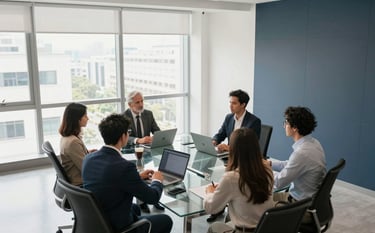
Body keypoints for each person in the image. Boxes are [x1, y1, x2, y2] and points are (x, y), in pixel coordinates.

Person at [82, 114, 173, 233]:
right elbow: (152, 198)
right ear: (123, 136)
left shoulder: (88, 158)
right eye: (128, 132)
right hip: (115, 226)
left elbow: (109, 180)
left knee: (135, 208)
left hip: (98, 219)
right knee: (166, 220)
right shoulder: (124, 167)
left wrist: (137, 177)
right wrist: (157, 180)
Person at [205, 128, 275, 233]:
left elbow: (211, 208)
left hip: (244, 230)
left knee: (214, 227)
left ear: (232, 150)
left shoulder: (231, 178)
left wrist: (210, 192)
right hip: (265, 227)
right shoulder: (267, 169)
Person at [208, 89, 261, 222]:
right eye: (230, 102)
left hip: (245, 161)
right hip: (228, 157)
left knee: (226, 178)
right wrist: (214, 141)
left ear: (243, 104)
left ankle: (218, 203)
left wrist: (230, 147)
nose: (230, 106)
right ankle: (219, 206)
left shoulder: (254, 121)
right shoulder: (229, 117)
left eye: (234, 103)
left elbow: (249, 145)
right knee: (209, 171)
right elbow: (220, 134)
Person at [271, 106, 326, 221]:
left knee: (260, 204)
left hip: (301, 207)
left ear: (295, 127)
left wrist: (259, 175)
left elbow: (278, 183)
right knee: (268, 198)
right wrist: (269, 163)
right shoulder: (314, 143)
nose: (284, 125)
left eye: (286, 122)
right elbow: (291, 164)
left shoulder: (302, 153)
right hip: (309, 200)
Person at [123, 90, 164, 212]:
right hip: (130, 151)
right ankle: (142, 202)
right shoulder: (123, 117)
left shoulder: (148, 114)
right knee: (138, 174)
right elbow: (124, 136)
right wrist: (138, 140)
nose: (141, 104)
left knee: (154, 171)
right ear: (130, 105)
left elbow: (156, 130)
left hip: (148, 151)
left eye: (142, 101)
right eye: (137, 102)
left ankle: (155, 198)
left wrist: (156, 137)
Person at [59, 102, 96, 186]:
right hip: (80, 182)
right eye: (85, 116)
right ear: (77, 119)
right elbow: (86, 168)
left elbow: (74, 157)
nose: (88, 118)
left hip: (75, 177)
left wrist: (88, 153)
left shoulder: (66, 137)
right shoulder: (73, 142)